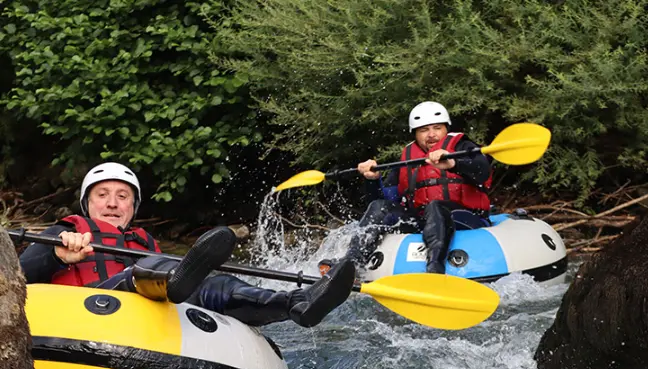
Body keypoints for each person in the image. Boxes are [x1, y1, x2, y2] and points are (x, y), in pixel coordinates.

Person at [20, 162, 355, 327]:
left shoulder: (143, 241)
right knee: (142, 271)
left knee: (217, 286)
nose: (112, 203)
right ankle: (175, 279)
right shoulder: (63, 232)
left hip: (146, 316)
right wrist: (59, 255)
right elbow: (18, 276)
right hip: (88, 314)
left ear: (132, 208)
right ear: (87, 204)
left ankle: (298, 304)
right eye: (102, 195)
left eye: (122, 197)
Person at [320, 101, 492, 275]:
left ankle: (435, 269)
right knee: (380, 207)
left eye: (437, 128)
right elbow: (382, 203)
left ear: (446, 128)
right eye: (424, 130)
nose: (431, 135)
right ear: (415, 134)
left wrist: (453, 163)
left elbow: (483, 171)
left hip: (465, 217)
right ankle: (351, 264)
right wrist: (373, 180)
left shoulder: (463, 147)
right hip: (423, 220)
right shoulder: (408, 159)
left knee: (436, 206)